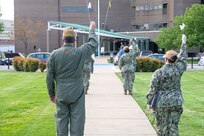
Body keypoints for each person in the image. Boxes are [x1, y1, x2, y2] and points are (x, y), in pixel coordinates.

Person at [46, 21, 98, 136]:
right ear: (74, 39)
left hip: (61, 94)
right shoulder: (80, 52)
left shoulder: (54, 55)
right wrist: (92, 30)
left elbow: (49, 77)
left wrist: (51, 94)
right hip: (77, 94)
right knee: (77, 126)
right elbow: (93, 44)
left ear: (62, 38)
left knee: (61, 126)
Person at [146, 34, 187, 136]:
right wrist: (184, 44)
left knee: (162, 128)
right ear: (175, 60)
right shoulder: (179, 69)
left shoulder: (158, 72)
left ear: (165, 59)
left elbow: (152, 89)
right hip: (176, 101)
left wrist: (149, 102)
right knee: (173, 126)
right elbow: (183, 58)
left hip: (161, 102)